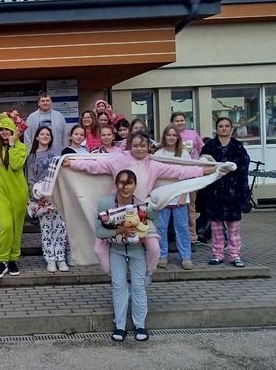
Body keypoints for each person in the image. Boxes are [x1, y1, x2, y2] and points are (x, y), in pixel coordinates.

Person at [65, 132, 213, 273]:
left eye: (143, 146)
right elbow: (94, 166)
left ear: (148, 147)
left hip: (140, 213)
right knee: (99, 248)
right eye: (135, 146)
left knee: (154, 248)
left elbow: (180, 171)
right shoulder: (118, 160)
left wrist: (204, 171)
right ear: (130, 146)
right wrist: (72, 163)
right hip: (116, 211)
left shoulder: (154, 165)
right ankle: (112, 273)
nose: (139, 149)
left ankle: (147, 273)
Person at [95, 169, 156, 342]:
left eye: (129, 183)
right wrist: (120, 230)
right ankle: (120, 326)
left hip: (137, 250)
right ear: (116, 184)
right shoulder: (106, 203)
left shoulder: (141, 204)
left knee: (138, 286)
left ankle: (140, 325)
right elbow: (99, 231)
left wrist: (152, 210)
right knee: (119, 286)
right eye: (122, 182)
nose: (125, 187)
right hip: (116, 249)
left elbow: (154, 221)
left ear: (135, 185)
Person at [201, 117, 250, 268]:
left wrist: (244, 193)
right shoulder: (209, 146)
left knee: (233, 227)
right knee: (216, 227)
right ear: (216, 129)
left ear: (231, 128)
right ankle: (218, 254)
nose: (224, 128)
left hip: (233, 192)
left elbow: (244, 169)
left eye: (226, 126)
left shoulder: (238, 147)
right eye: (221, 126)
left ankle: (235, 255)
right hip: (214, 192)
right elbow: (202, 165)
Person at [0, 115, 29, 277]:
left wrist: (12, 145)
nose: (4, 132)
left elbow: (16, 164)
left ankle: (12, 259)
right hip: (0, 194)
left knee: (16, 228)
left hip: (18, 194)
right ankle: (2, 260)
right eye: (2, 129)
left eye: (8, 129)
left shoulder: (21, 147)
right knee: (6, 226)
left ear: (13, 131)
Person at [27, 126, 68, 272]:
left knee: (60, 229)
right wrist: (37, 196)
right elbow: (30, 179)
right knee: (46, 230)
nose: (45, 136)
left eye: (48, 134)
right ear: (37, 137)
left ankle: (60, 258)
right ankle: (50, 258)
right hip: (41, 199)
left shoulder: (57, 154)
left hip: (57, 198)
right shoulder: (31, 156)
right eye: (42, 134)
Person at [153, 125, 194, 270]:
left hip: (180, 197)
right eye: (168, 135)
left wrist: (183, 195)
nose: (171, 137)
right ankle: (162, 255)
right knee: (161, 228)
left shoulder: (184, 154)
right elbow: (155, 176)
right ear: (164, 136)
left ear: (178, 137)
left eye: (174, 135)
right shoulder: (158, 154)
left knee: (182, 228)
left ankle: (186, 257)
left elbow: (189, 176)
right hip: (163, 197)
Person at [171, 112, 205, 243]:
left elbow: (202, 150)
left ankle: (192, 238)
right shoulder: (171, 135)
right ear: (172, 122)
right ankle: (176, 237)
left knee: (191, 206)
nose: (180, 123)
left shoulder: (193, 134)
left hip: (192, 174)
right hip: (176, 175)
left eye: (182, 120)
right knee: (176, 206)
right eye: (177, 120)